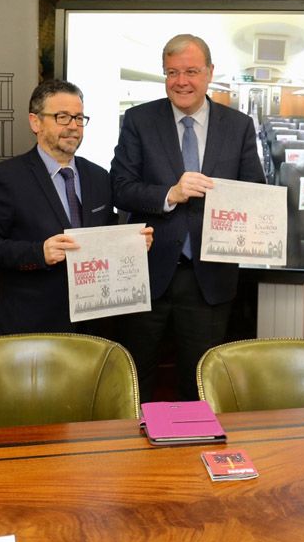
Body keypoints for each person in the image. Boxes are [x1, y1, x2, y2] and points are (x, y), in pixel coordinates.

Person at [110, 34, 265, 401]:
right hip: (145, 273)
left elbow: (255, 193)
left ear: (210, 73)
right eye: (172, 72)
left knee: (199, 380)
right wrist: (170, 194)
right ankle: (135, 453)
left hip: (209, 278)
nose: (182, 81)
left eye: (192, 71)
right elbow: (120, 187)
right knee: (137, 375)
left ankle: (191, 452)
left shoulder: (238, 125)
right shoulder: (139, 120)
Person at [0, 80, 152, 335]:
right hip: (31, 323)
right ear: (35, 122)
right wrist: (38, 253)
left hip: (93, 324)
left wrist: (130, 245)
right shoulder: (6, 177)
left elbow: (105, 235)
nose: (73, 127)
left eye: (79, 118)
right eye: (62, 117)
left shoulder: (98, 176)